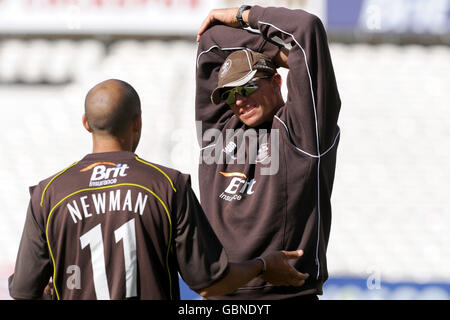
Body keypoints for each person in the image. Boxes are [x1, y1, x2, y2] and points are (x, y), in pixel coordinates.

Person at [8, 79, 309, 300]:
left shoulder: (48, 193)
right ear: (138, 122)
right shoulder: (167, 185)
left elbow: (23, 292)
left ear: (86, 123)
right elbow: (209, 282)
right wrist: (262, 266)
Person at [195, 5, 341, 300]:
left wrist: (243, 14)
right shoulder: (217, 133)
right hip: (220, 298)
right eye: (229, 94)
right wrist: (279, 55)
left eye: (246, 87)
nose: (237, 101)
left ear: (277, 81)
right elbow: (210, 42)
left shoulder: (302, 130)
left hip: (285, 296)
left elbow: (306, 27)